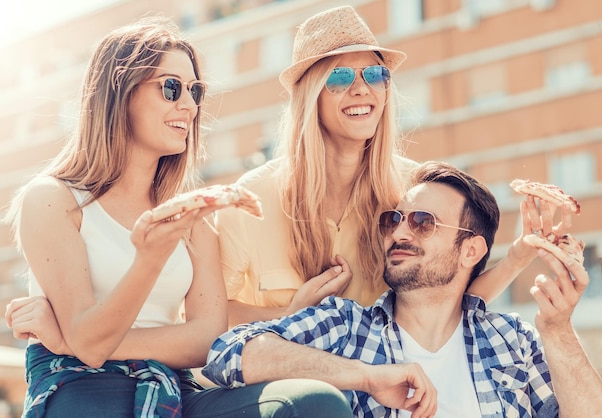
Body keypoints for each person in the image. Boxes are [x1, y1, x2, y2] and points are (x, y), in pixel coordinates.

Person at [4, 17, 353, 418]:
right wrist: (147, 262)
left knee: (313, 403)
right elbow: (90, 344)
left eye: (195, 90)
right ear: (119, 94)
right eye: (171, 88)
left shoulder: (193, 218)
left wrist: (70, 338)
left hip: (173, 388)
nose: (188, 105)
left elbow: (206, 338)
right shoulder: (52, 199)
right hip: (81, 384)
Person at [216, 5, 572, 327]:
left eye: (374, 75)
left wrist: (517, 257)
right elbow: (208, 316)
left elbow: (446, 300)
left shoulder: (414, 192)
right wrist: (293, 314)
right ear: (310, 96)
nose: (361, 89)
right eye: (340, 78)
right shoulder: (251, 201)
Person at [203, 160, 602, 417]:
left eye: (423, 222)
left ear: (470, 251)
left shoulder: (512, 340)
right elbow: (228, 354)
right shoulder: (345, 327)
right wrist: (364, 377)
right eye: (394, 220)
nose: (400, 232)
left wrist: (558, 330)